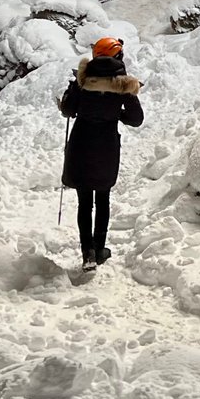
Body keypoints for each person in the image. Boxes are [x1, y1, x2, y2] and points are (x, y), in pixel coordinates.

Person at [59, 36, 143, 269]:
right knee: (103, 199)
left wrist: (70, 92)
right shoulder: (124, 85)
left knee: (84, 201)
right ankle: (99, 248)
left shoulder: (82, 80)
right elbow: (136, 119)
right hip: (106, 147)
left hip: (81, 145)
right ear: (118, 57)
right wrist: (117, 115)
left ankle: (87, 253)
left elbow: (68, 110)